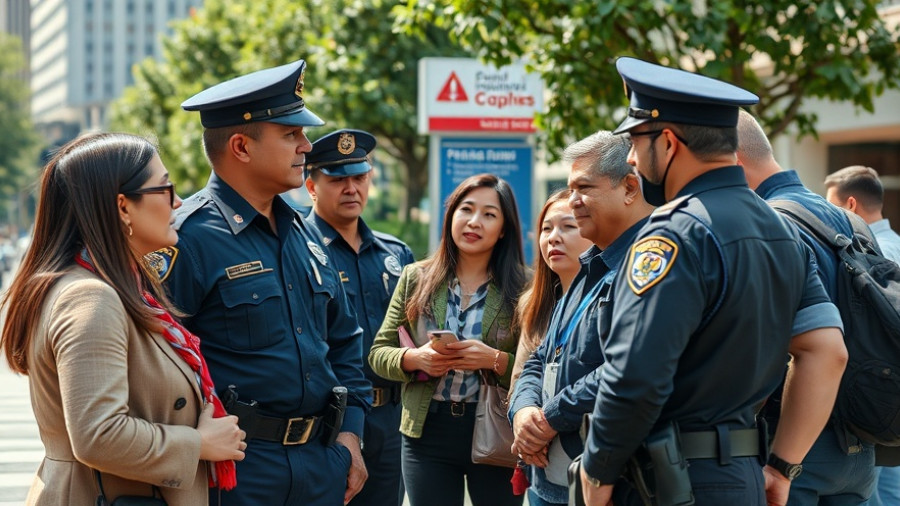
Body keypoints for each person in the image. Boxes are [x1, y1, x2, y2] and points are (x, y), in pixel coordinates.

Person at [578, 57, 848, 506]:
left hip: (662, 482)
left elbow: (634, 377)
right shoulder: (782, 229)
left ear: (667, 142)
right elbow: (826, 351)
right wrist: (782, 467)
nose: (630, 156)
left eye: (635, 140)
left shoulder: (673, 233)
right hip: (740, 477)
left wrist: (597, 471)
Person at [159, 60, 371, 505]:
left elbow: (345, 340)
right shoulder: (187, 238)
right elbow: (155, 365)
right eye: (291, 134)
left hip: (320, 463)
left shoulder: (305, 232)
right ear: (241, 146)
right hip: (238, 470)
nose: (306, 147)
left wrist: (351, 434)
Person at [0, 132, 245, 505]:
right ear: (123, 207)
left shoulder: (110, 284)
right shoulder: (91, 297)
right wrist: (199, 443)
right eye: (164, 189)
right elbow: (99, 434)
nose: (178, 202)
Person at [737, 111, 877, 505]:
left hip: (792, 448)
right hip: (857, 444)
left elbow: (767, 350)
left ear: (732, 161)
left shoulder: (768, 223)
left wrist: (782, 464)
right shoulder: (851, 221)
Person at [510, 131, 654, 506]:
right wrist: (524, 410)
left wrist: (548, 419)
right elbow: (542, 357)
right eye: (569, 188)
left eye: (583, 187)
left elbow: (627, 368)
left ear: (630, 187)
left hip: (604, 482)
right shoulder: (590, 267)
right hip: (547, 480)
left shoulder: (647, 263)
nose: (571, 202)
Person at [369, 173, 527, 506]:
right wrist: (414, 359)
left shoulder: (525, 287)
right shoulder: (417, 277)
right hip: (426, 431)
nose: (474, 222)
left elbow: (536, 366)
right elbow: (378, 352)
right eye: (466, 209)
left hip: (497, 428)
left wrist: (494, 360)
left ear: (503, 229)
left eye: (489, 214)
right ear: (451, 215)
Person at [304, 129, 415, 506]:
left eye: (359, 177)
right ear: (311, 186)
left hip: (391, 417)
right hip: (327, 423)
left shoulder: (396, 254)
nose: (351, 188)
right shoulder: (297, 249)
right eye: (337, 180)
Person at [823, 164, 900, 506]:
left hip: (876, 392)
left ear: (850, 206)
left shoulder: (869, 253)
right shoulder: (895, 244)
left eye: (832, 206)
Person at [508, 188, 593, 390]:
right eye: (546, 229)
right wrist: (525, 411)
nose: (553, 238)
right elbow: (519, 380)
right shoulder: (533, 303)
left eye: (568, 226)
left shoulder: (608, 296)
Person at [825, 165, 900, 262]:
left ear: (851, 205)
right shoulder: (894, 242)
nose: (829, 215)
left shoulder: (874, 254)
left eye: (832, 208)